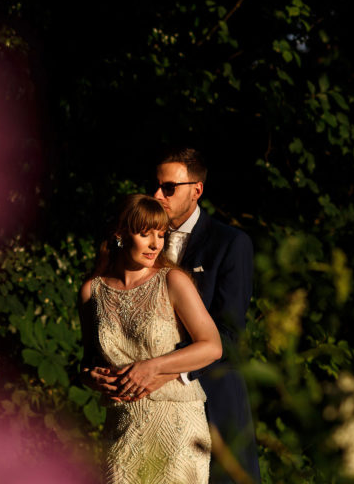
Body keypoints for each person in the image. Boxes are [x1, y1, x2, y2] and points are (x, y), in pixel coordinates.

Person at [88, 148, 262, 483]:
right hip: (133, 412)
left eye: (169, 188)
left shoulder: (230, 243)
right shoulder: (131, 247)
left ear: (196, 190)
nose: (157, 195)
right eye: (155, 185)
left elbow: (229, 334)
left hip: (209, 398)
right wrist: (98, 373)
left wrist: (162, 371)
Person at [79, 194, 222, 483]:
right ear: (120, 234)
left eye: (161, 234)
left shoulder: (172, 280)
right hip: (123, 426)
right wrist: (91, 377)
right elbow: (87, 362)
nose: (156, 244)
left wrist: (153, 367)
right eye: (145, 234)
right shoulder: (91, 292)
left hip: (177, 425)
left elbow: (212, 347)